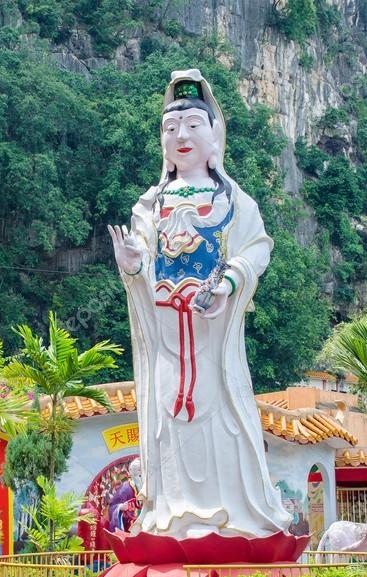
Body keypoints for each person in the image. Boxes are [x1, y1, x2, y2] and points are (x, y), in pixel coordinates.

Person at [107, 69, 292, 540]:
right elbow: (140, 263)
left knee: (223, 419)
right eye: (171, 129)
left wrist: (230, 282)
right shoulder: (149, 205)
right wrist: (130, 263)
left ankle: (236, 520)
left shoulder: (235, 202)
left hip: (213, 336)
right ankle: (172, 517)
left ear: (214, 137)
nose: (182, 135)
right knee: (170, 419)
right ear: (162, 144)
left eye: (193, 124)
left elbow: (257, 249)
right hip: (167, 335)